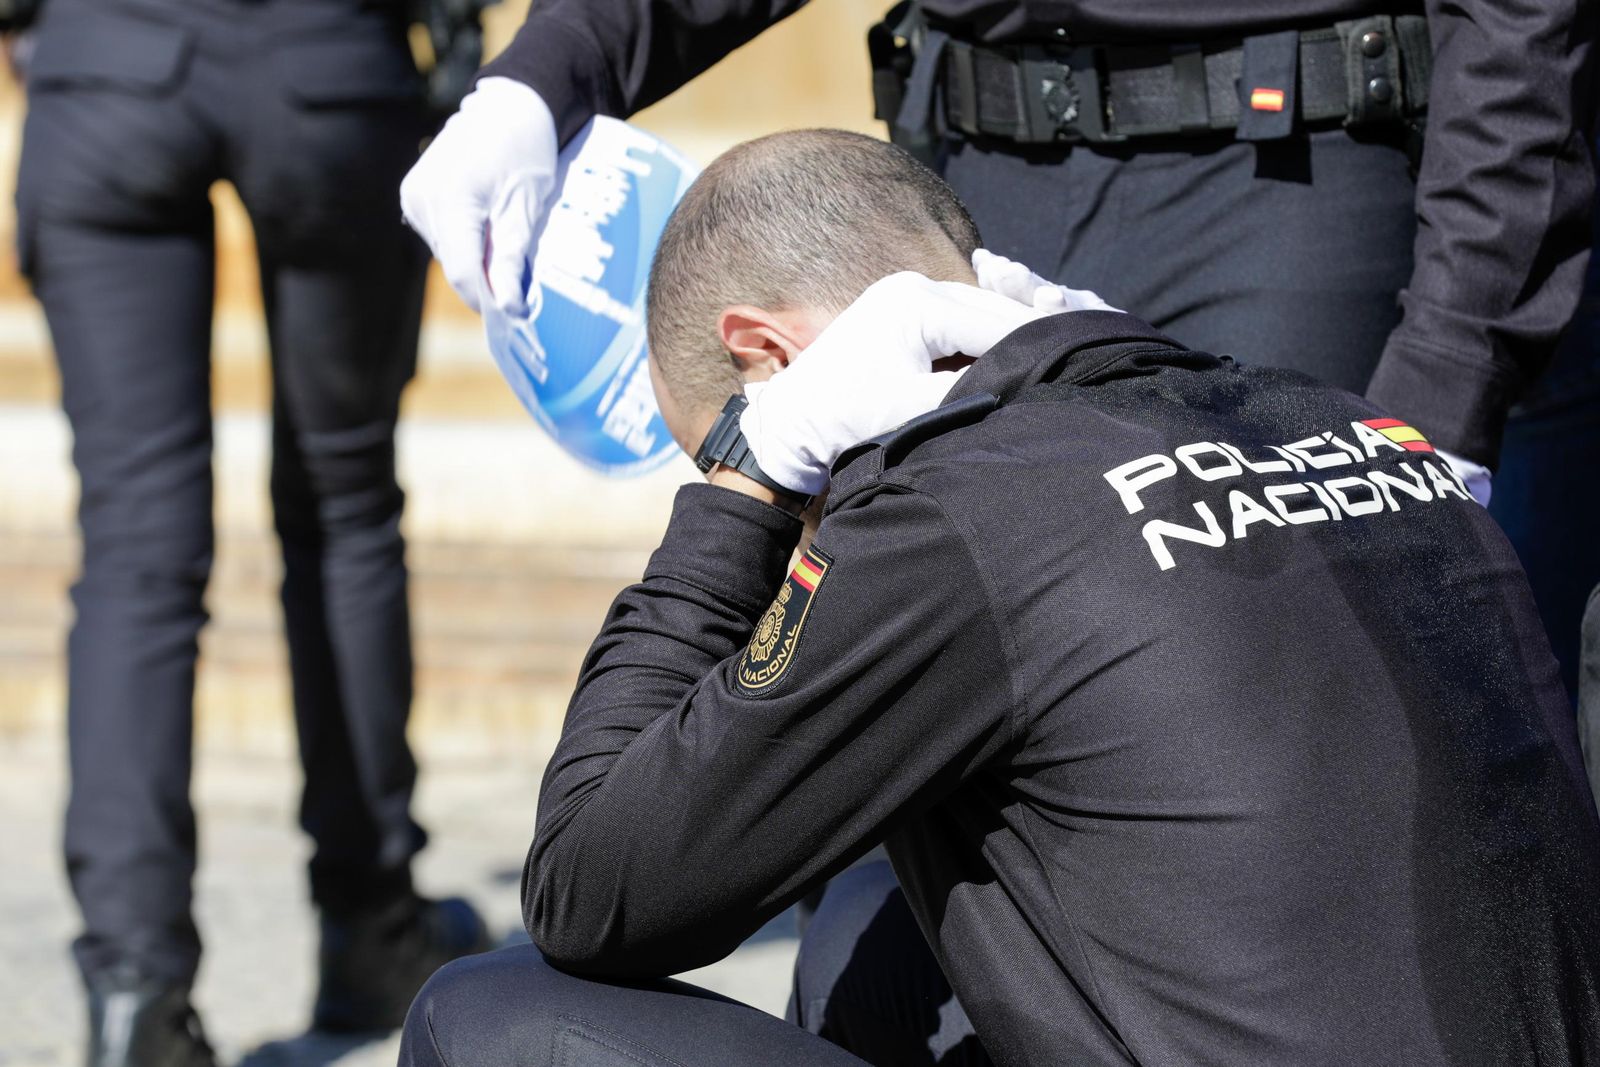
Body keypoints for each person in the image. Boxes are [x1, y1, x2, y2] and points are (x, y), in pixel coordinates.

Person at [398, 130, 1600, 1067]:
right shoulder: (1344, 421)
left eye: (712, 433)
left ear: (767, 358)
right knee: (866, 916)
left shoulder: (954, 511)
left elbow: (585, 887)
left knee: (485, 1017)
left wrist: (744, 481)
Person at [400, 0, 1597, 697]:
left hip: (1291, 184)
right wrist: (547, 73)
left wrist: (1448, 376)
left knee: (1278, 740)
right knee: (915, 787)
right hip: (956, 202)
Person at [12, 0, 490, 1061]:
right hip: (325, 64)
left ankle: (135, 988)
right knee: (345, 504)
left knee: (135, 541)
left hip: (107, 64)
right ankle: (368, 924)